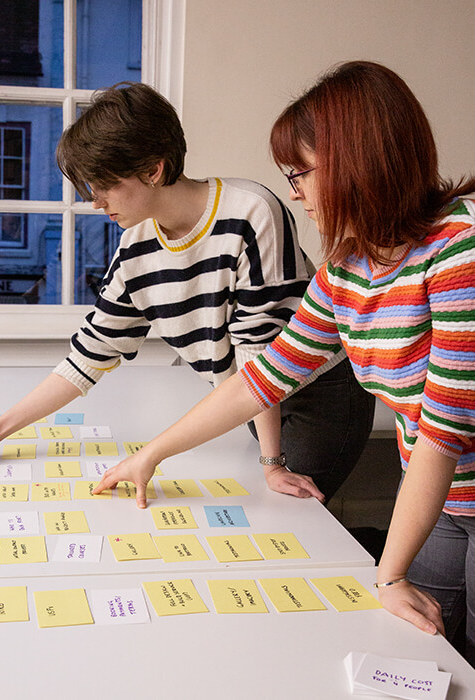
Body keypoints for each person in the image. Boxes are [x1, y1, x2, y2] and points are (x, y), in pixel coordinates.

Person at [93, 63, 475, 663]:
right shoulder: (348, 267)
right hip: (439, 495)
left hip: (446, 468)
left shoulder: (459, 250)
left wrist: (389, 574)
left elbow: (443, 431)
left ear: (357, 163)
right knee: (438, 644)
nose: (295, 192)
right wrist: (151, 455)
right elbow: (261, 380)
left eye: (299, 174)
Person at [0, 82, 373, 505]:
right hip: (246, 400)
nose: (95, 201)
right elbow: (90, 354)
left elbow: (256, 355)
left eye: (104, 185)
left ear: (152, 169)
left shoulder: (251, 212)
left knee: (296, 518)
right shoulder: (136, 246)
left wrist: (271, 463)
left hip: (318, 395)